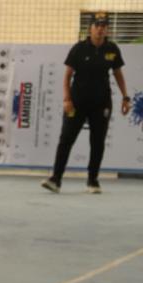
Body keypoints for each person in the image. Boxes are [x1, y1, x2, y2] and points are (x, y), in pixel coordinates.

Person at [42, 13, 130, 194]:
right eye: (97, 25)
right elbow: (67, 77)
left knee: (97, 142)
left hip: (101, 104)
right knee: (66, 140)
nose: (101, 28)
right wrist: (67, 99)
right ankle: (55, 179)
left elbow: (118, 74)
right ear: (90, 28)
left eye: (104, 25)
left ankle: (93, 180)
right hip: (76, 103)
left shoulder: (112, 49)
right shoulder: (79, 49)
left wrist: (125, 97)